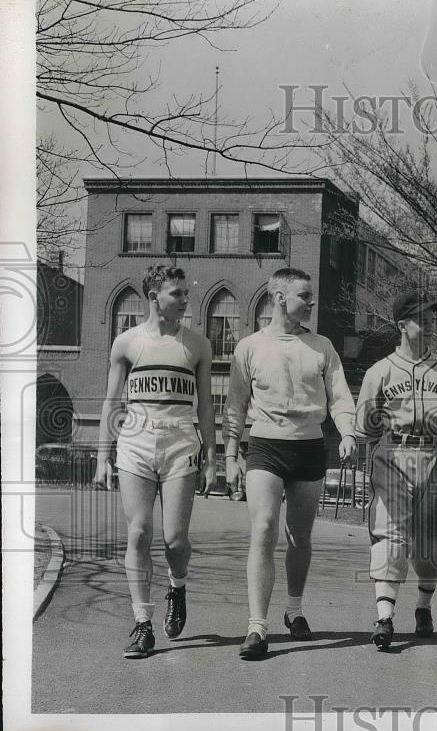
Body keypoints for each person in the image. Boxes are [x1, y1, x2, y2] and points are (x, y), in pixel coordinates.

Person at [224, 267, 357, 660]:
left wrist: (347, 432)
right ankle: (256, 627)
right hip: (265, 444)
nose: (311, 303)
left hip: (310, 447)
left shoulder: (322, 346)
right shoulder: (249, 346)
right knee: (264, 528)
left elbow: (340, 396)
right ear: (280, 298)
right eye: (304, 296)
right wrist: (231, 454)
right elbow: (235, 404)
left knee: (299, 536)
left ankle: (294, 610)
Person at [97, 264, 216, 659]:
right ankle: (142, 623)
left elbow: (205, 409)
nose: (185, 300)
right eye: (177, 294)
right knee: (138, 532)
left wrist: (211, 456)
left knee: (175, 540)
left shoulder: (197, 345)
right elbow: (112, 404)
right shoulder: (127, 343)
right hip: (135, 443)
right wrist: (102, 455)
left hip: (181, 444)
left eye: (185, 293)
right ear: (153, 298)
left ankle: (177, 587)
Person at [355, 289, 437, 650]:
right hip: (394, 451)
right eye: (421, 319)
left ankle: (423, 607)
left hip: (434, 455)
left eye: (433, 319)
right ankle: (384, 618)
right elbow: (364, 427)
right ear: (402, 325)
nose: (430, 325)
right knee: (389, 535)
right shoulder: (379, 371)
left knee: (429, 544)